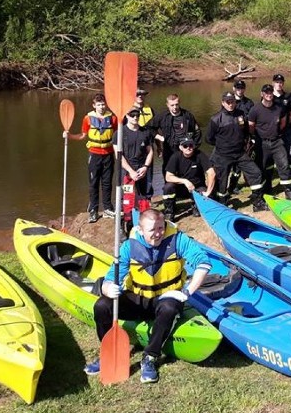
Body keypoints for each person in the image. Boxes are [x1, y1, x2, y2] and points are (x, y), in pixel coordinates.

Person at [83, 208, 212, 383]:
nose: (158, 233)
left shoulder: (178, 239)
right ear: (141, 230)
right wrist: (107, 288)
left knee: (168, 308)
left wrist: (187, 291)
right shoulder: (129, 246)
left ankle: (150, 356)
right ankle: (108, 354)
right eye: (153, 230)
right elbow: (110, 278)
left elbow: (203, 262)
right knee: (102, 305)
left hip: (166, 297)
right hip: (137, 298)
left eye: (161, 227)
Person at [207, 91, 267, 211]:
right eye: (228, 102)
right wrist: (223, 146)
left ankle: (257, 202)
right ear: (223, 103)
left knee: (255, 173)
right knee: (221, 182)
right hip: (223, 155)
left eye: (232, 102)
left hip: (240, 153)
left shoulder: (241, 115)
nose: (230, 104)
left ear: (235, 102)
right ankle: (222, 204)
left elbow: (245, 132)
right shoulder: (216, 119)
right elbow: (209, 139)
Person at [65, 93, 117, 223]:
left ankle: (107, 208)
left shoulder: (113, 118)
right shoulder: (87, 119)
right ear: (94, 106)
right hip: (94, 155)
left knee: (107, 182)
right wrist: (69, 136)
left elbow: (117, 135)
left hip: (108, 154)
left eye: (103, 104)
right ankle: (93, 210)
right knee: (94, 183)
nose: (101, 107)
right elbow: (83, 136)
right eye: (99, 105)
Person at [248, 84, 291, 201]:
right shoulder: (255, 109)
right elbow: (251, 126)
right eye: (266, 92)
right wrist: (255, 138)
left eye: (270, 92)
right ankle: (266, 189)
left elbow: (282, 122)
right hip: (262, 143)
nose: (268, 94)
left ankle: (288, 190)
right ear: (262, 94)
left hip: (277, 142)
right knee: (263, 167)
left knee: (284, 165)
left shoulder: (278, 108)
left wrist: (277, 133)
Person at [162, 137, 215, 220]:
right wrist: (185, 181)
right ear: (180, 147)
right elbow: (168, 177)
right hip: (181, 188)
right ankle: (169, 211)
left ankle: (195, 206)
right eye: (185, 146)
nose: (188, 148)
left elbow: (211, 173)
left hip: (197, 187)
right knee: (168, 187)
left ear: (194, 146)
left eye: (190, 145)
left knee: (208, 199)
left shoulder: (200, 155)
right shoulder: (175, 156)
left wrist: (208, 192)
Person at [118, 106, 154, 227]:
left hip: (141, 170)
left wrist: (145, 167)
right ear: (127, 116)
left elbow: (150, 152)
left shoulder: (145, 132)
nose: (135, 117)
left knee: (143, 198)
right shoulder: (120, 133)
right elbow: (118, 156)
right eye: (132, 115)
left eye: (137, 115)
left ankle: (144, 224)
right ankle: (125, 225)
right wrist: (130, 171)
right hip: (126, 173)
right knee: (127, 199)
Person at [152, 94, 202, 175]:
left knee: (185, 171)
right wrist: (160, 137)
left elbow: (197, 132)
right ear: (167, 105)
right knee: (168, 171)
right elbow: (149, 128)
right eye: (172, 105)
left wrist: (193, 146)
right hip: (169, 148)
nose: (175, 107)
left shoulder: (187, 115)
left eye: (176, 104)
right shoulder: (162, 116)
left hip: (185, 148)